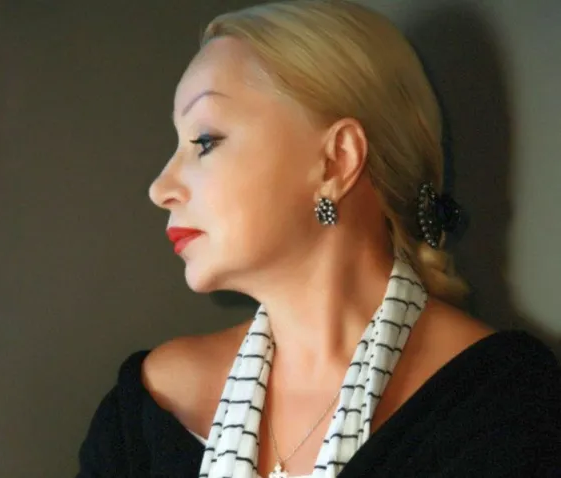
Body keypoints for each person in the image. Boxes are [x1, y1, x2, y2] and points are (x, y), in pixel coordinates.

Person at [75, 1, 561, 477]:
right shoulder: (150, 408)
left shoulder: (504, 407)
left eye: (205, 141)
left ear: (336, 161)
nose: (161, 188)